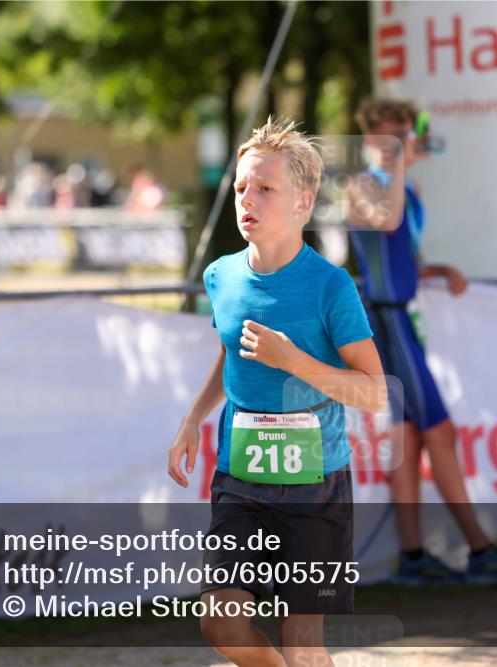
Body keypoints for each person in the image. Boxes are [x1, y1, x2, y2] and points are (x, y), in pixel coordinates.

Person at [168, 117, 386, 667]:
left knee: (304, 646)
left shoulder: (331, 286)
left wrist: (293, 360)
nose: (249, 198)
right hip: (242, 480)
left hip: (315, 485)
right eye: (241, 187)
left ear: (302, 203)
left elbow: (373, 393)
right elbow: (232, 350)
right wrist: (193, 418)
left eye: (265, 188)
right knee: (220, 618)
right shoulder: (221, 276)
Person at [346, 98, 497, 586]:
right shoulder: (360, 186)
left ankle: (415, 558)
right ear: (374, 140)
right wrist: (395, 161)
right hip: (386, 322)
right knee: (439, 431)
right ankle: (480, 549)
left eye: (408, 133)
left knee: (413, 437)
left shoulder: (406, 187)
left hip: (401, 319)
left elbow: (403, 255)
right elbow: (387, 221)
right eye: (395, 134)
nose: (409, 141)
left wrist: (440, 269)